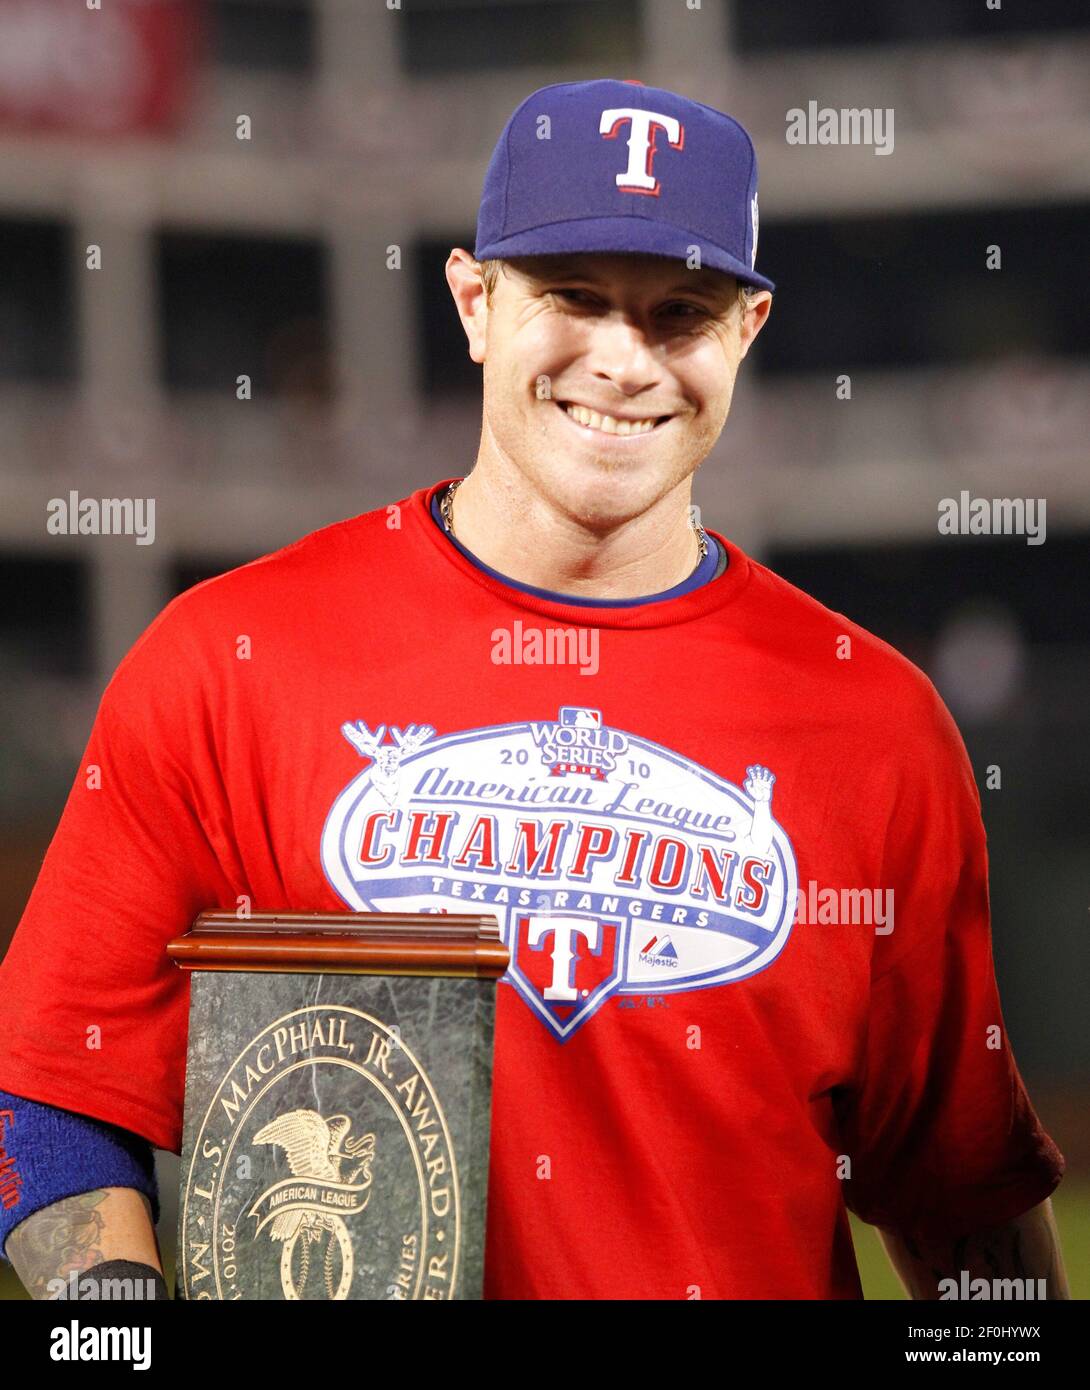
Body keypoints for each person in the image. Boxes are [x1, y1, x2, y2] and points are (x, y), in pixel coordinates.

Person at [0, 78, 1067, 1300]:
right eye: (571, 297)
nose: (621, 361)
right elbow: (44, 1099)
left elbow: (959, 1201)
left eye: (680, 312)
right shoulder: (228, 662)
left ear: (748, 331)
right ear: (474, 302)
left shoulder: (873, 725)